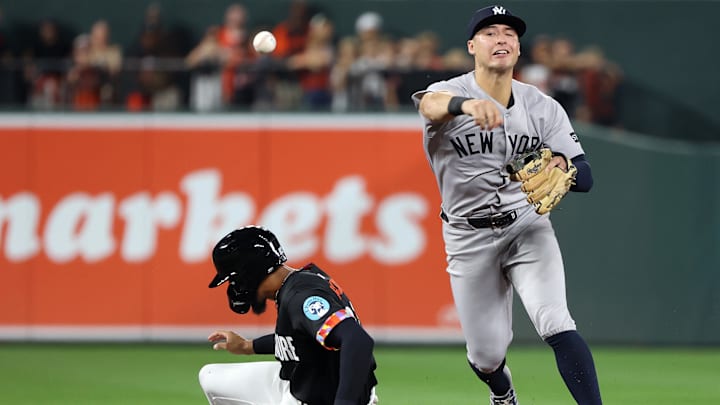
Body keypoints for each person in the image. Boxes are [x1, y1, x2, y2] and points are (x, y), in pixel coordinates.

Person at [411, 5, 602, 405]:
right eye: (490, 33)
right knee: (486, 355)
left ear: (518, 48)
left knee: (555, 321)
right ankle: (503, 392)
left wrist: (563, 165)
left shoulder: (543, 107)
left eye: (509, 34)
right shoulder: (450, 92)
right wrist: (464, 106)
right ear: (472, 47)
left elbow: (585, 176)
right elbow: (429, 105)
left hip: (527, 226)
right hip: (467, 236)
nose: (502, 39)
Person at [198, 226, 379, 405]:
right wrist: (248, 346)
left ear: (248, 274)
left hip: (321, 397)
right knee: (210, 376)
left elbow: (358, 340)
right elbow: (298, 340)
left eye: (233, 279)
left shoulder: (300, 296)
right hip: (311, 384)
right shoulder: (298, 282)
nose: (234, 286)